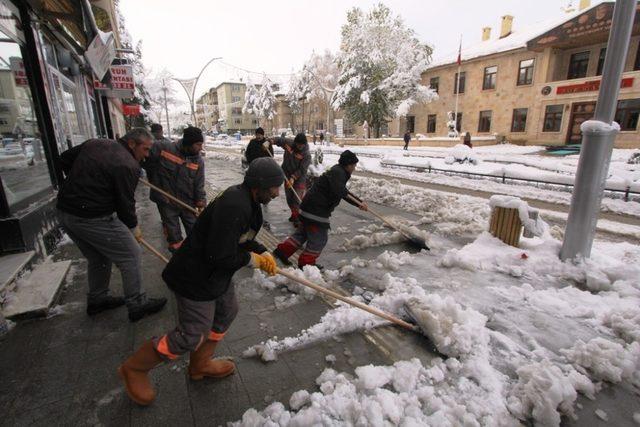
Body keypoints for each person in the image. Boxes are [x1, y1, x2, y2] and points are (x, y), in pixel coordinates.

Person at [118, 158, 283, 406]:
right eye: (274, 187)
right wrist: (252, 259)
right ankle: (135, 368)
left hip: (215, 274)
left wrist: (262, 250)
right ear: (259, 185)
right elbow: (219, 254)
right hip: (195, 277)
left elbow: (240, 237)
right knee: (192, 334)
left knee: (227, 311)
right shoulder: (235, 204)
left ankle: (200, 364)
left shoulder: (248, 200)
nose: (277, 193)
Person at [56, 128, 167, 322]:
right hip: (92, 216)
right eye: (146, 149)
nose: (147, 155)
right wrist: (134, 228)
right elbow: (125, 204)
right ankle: (137, 304)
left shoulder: (96, 143)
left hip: (66, 212)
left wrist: (82, 183)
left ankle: (98, 299)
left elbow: (64, 160)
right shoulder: (127, 165)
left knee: (98, 256)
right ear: (132, 143)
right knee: (131, 254)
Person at [273, 150, 367, 269]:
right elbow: (342, 192)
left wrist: (359, 202)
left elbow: (342, 191)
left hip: (307, 207)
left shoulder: (337, 171)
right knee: (319, 238)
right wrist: (358, 203)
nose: (354, 168)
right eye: (354, 165)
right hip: (316, 211)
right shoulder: (339, 173)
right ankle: (306, 264)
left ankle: (282, 252)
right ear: (348, 165)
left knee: (302, 234)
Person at [143, 126, 206, 252]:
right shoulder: (164, 148)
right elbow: (144, 158)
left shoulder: (198, 160)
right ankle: (178, 261)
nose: (201, 148)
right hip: (167, 201)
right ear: (188, 143)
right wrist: (153, 178)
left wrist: (200, 200)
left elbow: (199, 183)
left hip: (187, 202)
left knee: (195, 232)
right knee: (174, 237)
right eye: (198, 144)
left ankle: (195, 257)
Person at [271, 133, 311, 226]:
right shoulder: (289, 143)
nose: (300, 146)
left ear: (305, 144)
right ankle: (294, 214)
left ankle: (298, 218)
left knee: (296, 198)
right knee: (289, 198)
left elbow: (302, 169)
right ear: (295, 142)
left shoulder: (306, 154)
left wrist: (293, 177)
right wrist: (270, 141)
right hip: (287, 175)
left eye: (302, 145)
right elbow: (279, 140)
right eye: (298, 144)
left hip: (300, 178)